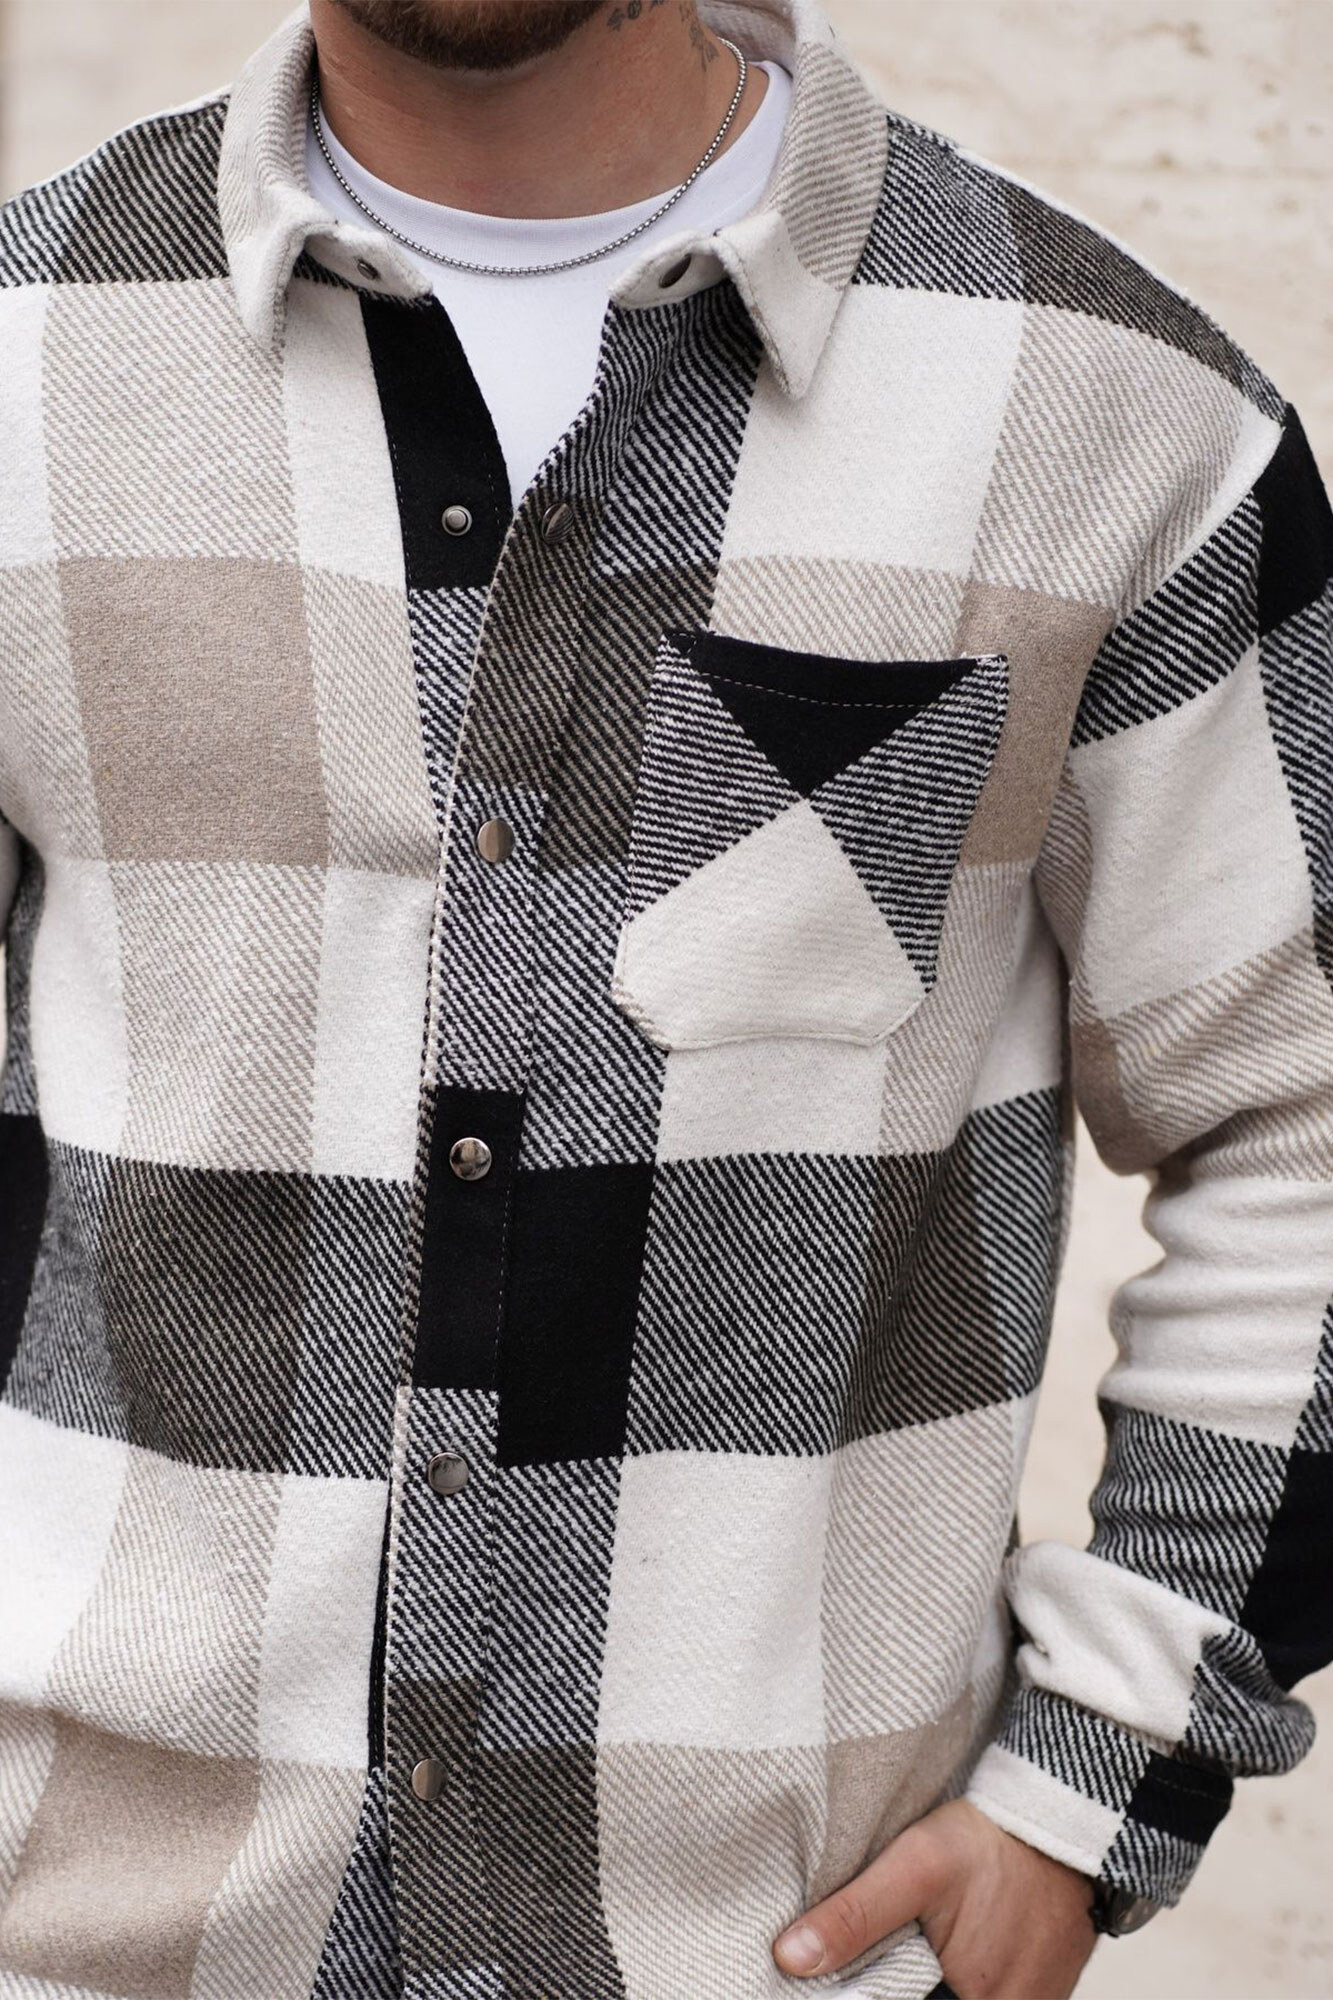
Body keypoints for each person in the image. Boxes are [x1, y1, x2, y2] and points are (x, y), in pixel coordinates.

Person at [0, 0, 1329, 1995]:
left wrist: (1091, 1779)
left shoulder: (1118, 413)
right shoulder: (24, 358)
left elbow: (1302, 1113)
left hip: (764, 1950)